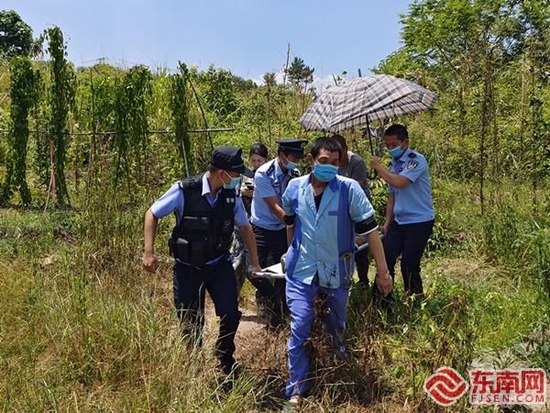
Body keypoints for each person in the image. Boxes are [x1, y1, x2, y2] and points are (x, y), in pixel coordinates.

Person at [282, 136, 392, 405]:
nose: (329, 167)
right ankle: (296, 389)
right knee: (301, 324)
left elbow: (372, 233)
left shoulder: (349, 190)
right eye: (323, 162)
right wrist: (289, 252)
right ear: (310, 161)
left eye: (335, 162)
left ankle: (336, 372)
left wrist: (383, 272)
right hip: (301, 271)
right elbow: (289, 222)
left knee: (335, 325)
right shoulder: (295, 188)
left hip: (336, 270)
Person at [142, 146, 261, 375]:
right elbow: (152, 214)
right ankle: (193, 366)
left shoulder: (230, 197)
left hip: (218, 265)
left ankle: (225, 355)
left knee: (230, 313)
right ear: (222, 173)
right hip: (188, 269)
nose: (238, 179)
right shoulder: (184, 190)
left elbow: (245, 228)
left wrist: (254, 262)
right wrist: (148, 252)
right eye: (236, 174)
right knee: (191, 320)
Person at [369, 124, 435, 298]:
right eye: (387, 145)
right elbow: (392, 195)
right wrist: (387, 222)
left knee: (409, 264)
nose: (390, 149)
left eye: (394, 144)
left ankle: (415, 301)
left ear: (405, 143)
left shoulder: (416, 160)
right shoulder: (393, 164)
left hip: (419, 221)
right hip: (399, 222)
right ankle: (382, 302)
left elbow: (399, 182)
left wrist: (378, 167)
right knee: (385, 260)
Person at [248, 138, 307, 330]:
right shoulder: (263, 174)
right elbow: (274, 207)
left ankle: (279, 317)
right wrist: (296, 224)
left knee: (285, 272)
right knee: (255, 272)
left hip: (283, 231)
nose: (296, 162)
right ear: (282, 156)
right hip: (262, 229)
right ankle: (275, 301)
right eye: (293, 158)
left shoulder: (295, 173)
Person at [332, 134, 373, 289]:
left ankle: (363, 281)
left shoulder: (356, 162)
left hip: (358, 210)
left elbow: (358, 186)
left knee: (361, 248)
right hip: (339, 213)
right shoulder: (331, 164)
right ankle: (342, 281)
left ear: (346, 150)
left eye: (340, 154)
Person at [233, 143, 268, 295]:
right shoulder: (244, 175)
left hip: (261, 225)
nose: (256, 164)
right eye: (253, 160)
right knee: (237, 261)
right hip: (242, 223)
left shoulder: (269, 176)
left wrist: (256, 194)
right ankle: (233, 294)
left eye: (259, 160)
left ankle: (264, 296)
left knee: (262, 263)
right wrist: (242, 193)